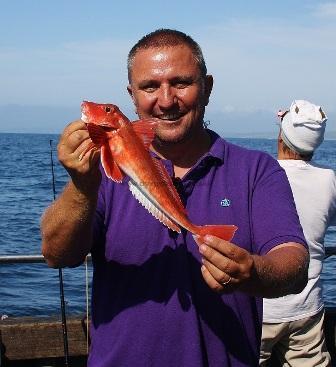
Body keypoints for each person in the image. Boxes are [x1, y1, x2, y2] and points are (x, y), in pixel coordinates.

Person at [41, 29, 309, 367]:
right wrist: (82, 185)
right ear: (132, 96)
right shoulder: (105, 174)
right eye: (150, 87)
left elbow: (294, 261)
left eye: (181, 83)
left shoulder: (256, 170)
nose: (166, 101)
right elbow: (56, 254)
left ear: (208, 87)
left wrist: (255, 272)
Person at [260, 100, 336, 367]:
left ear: (282, 137)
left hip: (263, 310)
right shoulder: (328, 180)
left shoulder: (262, 175)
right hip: (308, 307)